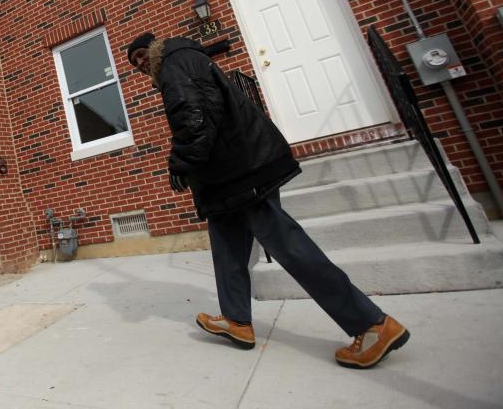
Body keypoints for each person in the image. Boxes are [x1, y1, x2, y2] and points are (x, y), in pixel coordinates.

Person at [125, 32, 409, 369]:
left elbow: (196, 116)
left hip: (243, 172)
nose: (142, 64)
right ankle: (236, 320)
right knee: (227, 246)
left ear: (155, 47)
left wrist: (181, 161)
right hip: (225, 180)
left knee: (290, 247)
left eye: (142, 55)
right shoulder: (181, 61)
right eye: (135, 63)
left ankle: (372, 325)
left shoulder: (174, 62)